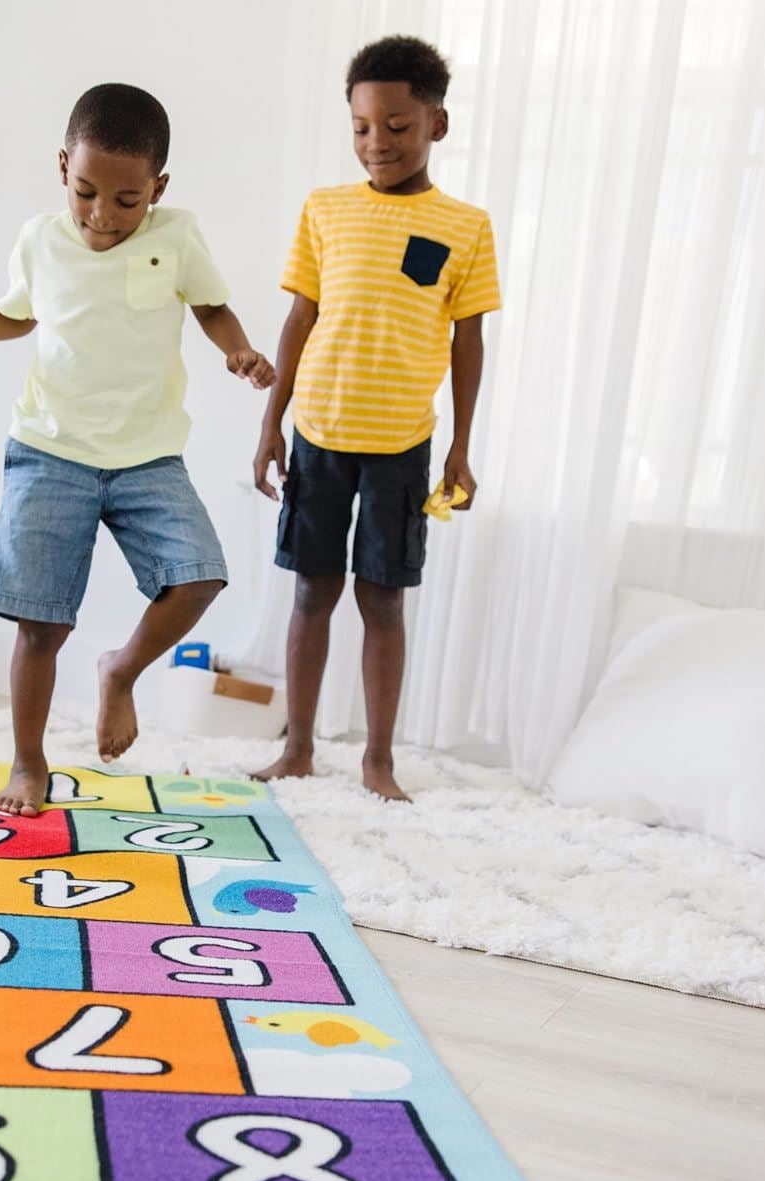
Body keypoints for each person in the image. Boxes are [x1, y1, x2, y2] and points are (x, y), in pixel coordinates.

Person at [0, 83, 274, 816]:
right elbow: (16, 315)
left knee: (198, 577)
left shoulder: (177, 238)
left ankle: (120, 671)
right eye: (86, 192)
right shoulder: (41, 239)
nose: (102, 215)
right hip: (50, 451)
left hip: (147, 458)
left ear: (158, 188)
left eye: (127, 201)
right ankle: (28, 764)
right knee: (42, 624)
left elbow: (211, 306)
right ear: (63, 167)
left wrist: (240, 350)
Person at [253, 36, 499, 801]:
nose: (377, 143)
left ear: (437, 125)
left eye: (397, 126)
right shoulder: (325, 209)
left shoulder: (466, 226)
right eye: (362, 127)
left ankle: (378, 760)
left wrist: (461, 447)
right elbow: (299, 319)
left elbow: (467, 340)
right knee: (310, 593)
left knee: (383, 600)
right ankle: (297, 747)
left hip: (402, 445)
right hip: (319, 434)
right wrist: (270, 424)